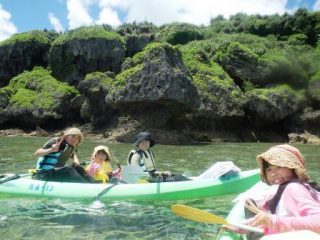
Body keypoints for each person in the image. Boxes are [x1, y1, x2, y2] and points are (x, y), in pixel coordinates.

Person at [242, 144, 320, 236]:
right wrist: (245, 227)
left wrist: (271, 220)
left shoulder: (293, 188)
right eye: (269, 169)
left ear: (293, 168)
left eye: (279, 167)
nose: (273, 174)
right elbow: (285, 220)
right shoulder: (283, 191)